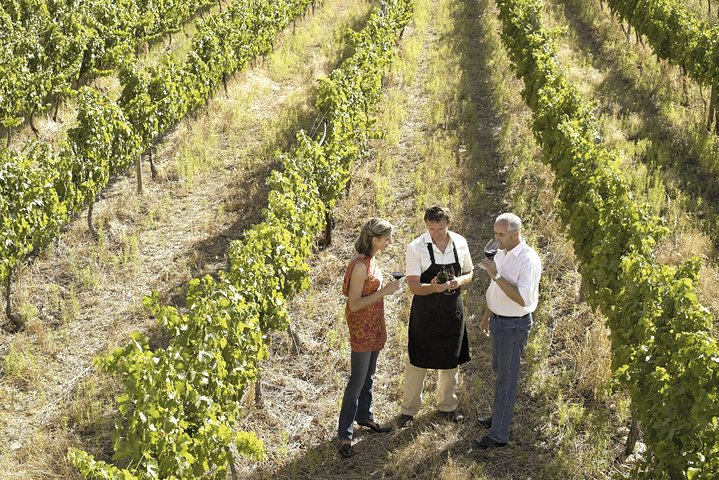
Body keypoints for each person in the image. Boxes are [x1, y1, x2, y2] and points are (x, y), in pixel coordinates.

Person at [396, 205, 474, 427]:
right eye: (431, 229)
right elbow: (413, 286)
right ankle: (409, 410)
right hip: (426, 312)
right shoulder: (415, 247)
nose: (435, 234)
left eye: (439, 229)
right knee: (417, 360)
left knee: (450, 361)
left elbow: (469, 273)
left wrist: (459, 282)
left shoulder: (460, 242)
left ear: (448, 224)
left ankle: (447, 405)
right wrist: (431, 288)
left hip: (452, 311)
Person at [473, 213, 542, 449]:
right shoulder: (501, 253)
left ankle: (499, 435)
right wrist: (488, 314)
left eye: (500, 235)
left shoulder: (528, 260)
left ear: (516, 234)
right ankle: (499, 418)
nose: (496, 238)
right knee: (498, 371)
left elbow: (522, 299)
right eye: (494, 233)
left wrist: (496, 274)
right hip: (499, 322)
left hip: (514, 326)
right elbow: (497, 289)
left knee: (507, 380)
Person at [337, 218, 402, 458]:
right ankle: (345, 435)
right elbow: (353, 305)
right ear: (375, 239)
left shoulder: (372, 259)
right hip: (362, 326)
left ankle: (364, 416)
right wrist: (384, 291)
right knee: (357, 380)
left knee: (369, 374)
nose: (389, 242)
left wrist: (383, 289)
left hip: (373, 323)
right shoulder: (360, 266)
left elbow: (369, 292)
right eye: (387, 238)